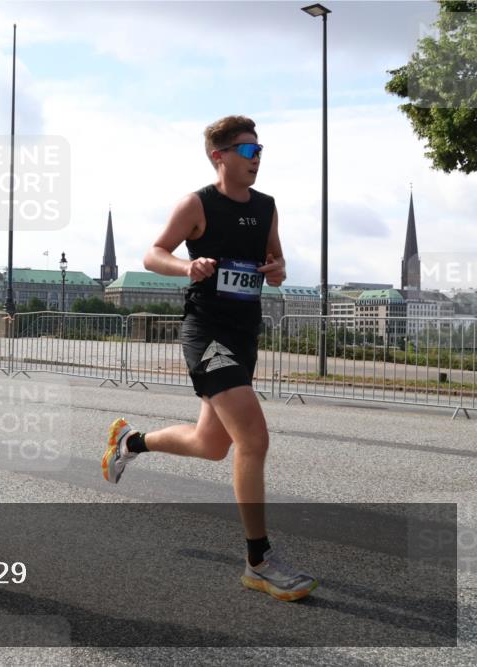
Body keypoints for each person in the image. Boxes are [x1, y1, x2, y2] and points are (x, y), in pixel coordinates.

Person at [101, 115, 318, 602]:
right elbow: (154, 253)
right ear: (219, 156)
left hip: (244, 335)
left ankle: (131, 442)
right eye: (246, 150)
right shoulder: (198, 203)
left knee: (211, 443)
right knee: (254, 439)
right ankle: (258, 560)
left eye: (259, 149)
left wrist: (278, 269)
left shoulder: (266, 208)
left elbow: (277, 266)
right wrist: (187, 265)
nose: (256, 157)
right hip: (207, 334)